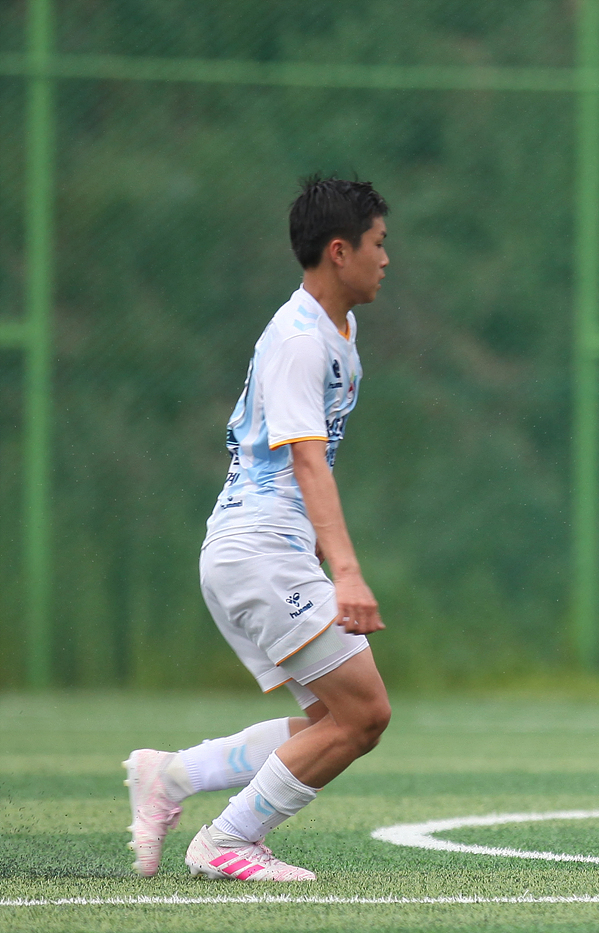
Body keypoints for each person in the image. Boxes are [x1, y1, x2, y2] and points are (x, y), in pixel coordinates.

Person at [123, 176, 393, 881]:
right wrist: (346, 571)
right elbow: (306, 460)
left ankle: (172, 775)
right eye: (377, 243)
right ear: (340, 251)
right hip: (261, 552)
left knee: (335, 719)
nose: (385, 258)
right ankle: (227, 841)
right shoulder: (300, 340)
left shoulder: (338, 329)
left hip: (257, 549)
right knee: (365, 715)